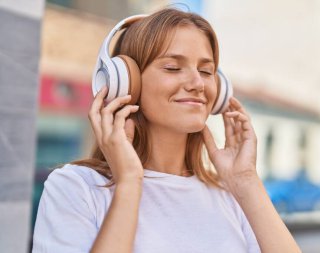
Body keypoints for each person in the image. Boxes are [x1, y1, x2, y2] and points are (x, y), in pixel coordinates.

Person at [32, 7, 301, 253]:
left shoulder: (232, 195)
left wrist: (246, 181)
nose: (197, 83)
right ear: (126, 83)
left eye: (206, 71)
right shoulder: (76, 187)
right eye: (173, 67)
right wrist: (128, 181)